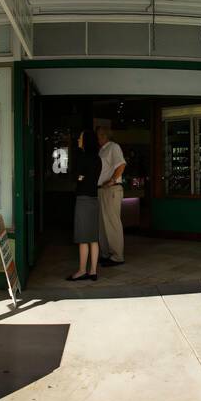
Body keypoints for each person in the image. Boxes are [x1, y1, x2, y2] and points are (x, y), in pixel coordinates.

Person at [68, 126, 104, 282]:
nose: (78, 139)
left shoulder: (82, 158)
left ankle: (82, 271)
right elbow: (87, 177)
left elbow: (78, 177)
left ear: (86, 140)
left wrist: (79, 177)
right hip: (94, 199)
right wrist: (82, 177)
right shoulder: (98, 159)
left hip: (83, 199)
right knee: (93, 238)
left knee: (83, 237)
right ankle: (93, 271)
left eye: (81, 137)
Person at [94, 120, 127, 267]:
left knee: (112, 223)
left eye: (98, 134)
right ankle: (106, 253)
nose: (97, 137)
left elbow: (121, 165)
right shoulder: (101, 150)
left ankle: (117, 256)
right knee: (102, 224)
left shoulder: (114, 147)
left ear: (104, 135)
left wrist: (112, 181)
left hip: (110, 190)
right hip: (101, 190)